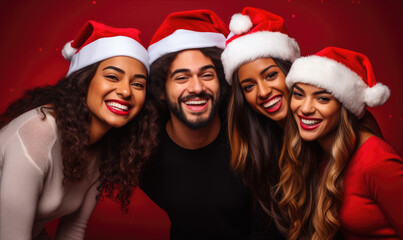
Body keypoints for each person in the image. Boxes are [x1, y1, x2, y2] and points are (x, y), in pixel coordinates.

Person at [0, 21, 158, 239]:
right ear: (84, 82)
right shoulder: (38, 132)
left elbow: (73, 230)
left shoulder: (107, 149)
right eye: (112, 77)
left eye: (138, 84)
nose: (125, 91)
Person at [140, 10, 281, 239]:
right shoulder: (141, 150)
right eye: (182, 77)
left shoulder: (253, 133)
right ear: (161, 90)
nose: (196, 87)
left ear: (221, 83)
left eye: (207, 75)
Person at [278, 46, 403, 239]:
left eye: (322, 99)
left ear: (344, 107)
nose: (305, 108)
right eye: (299, 94)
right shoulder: (317, 150)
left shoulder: (377, 161)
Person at [220, 7, 300, 231]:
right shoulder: (261, 147)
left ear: (290, 71)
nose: (263, 92)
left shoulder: (330, 125)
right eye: (249, 86)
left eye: (271, 75)